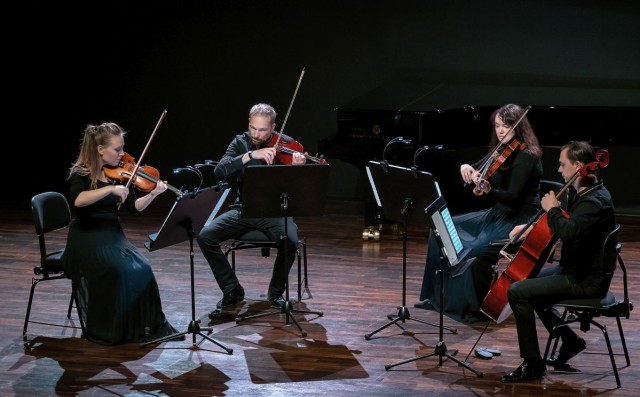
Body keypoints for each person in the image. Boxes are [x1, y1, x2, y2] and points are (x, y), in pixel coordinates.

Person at [416, 104, 543, 323]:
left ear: (518, 127)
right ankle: (436, 296)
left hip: (518, 218)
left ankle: (473, 307)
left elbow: (512, 196)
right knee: (441, 226)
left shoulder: (527, 156)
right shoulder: (501, 150)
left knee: (476, 249)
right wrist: (466, 166)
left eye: (506, 125)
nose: (501, 131)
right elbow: (478, 167)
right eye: (497, 126)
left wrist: (488, 189)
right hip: (498, 212)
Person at [501, 141, 615, 383]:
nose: (560, 170)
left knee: (518, 292)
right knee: (529, 283)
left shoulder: (593, 202)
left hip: (584, 280)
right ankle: (571, 341)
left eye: (563, 165)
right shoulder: (590, 192)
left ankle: (532, 365)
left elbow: (568, 231)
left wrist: (551, 209)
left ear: (578, 166)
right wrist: (532, 226)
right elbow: (572, 225)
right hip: (576, 270)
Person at [61, 122, 179, 345]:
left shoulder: (120, 173)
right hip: (87, 238)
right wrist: (109, 189)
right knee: (119, 270)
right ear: (100, 149)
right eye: (117, 149)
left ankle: (141, 327)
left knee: (143, 269)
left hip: (113, 236)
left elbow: (134, 207)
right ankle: (112, 329)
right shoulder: (81, 173)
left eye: (122, 147)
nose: (122, 154)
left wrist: (154, 194)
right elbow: (78, 200)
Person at [197, 103, 306, 310]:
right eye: (253, 128)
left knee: (290, 240)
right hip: (243, 209)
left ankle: (275, 294)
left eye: (263, 129)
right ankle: (232, 289)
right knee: (205, 236)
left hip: (275, 211)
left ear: (273, 127)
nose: (256, 134)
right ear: (249, 123)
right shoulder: (240, 142)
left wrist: (296, 170)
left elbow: (298, 188)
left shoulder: (286, 146)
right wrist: (249, 155)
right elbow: (220, 171)